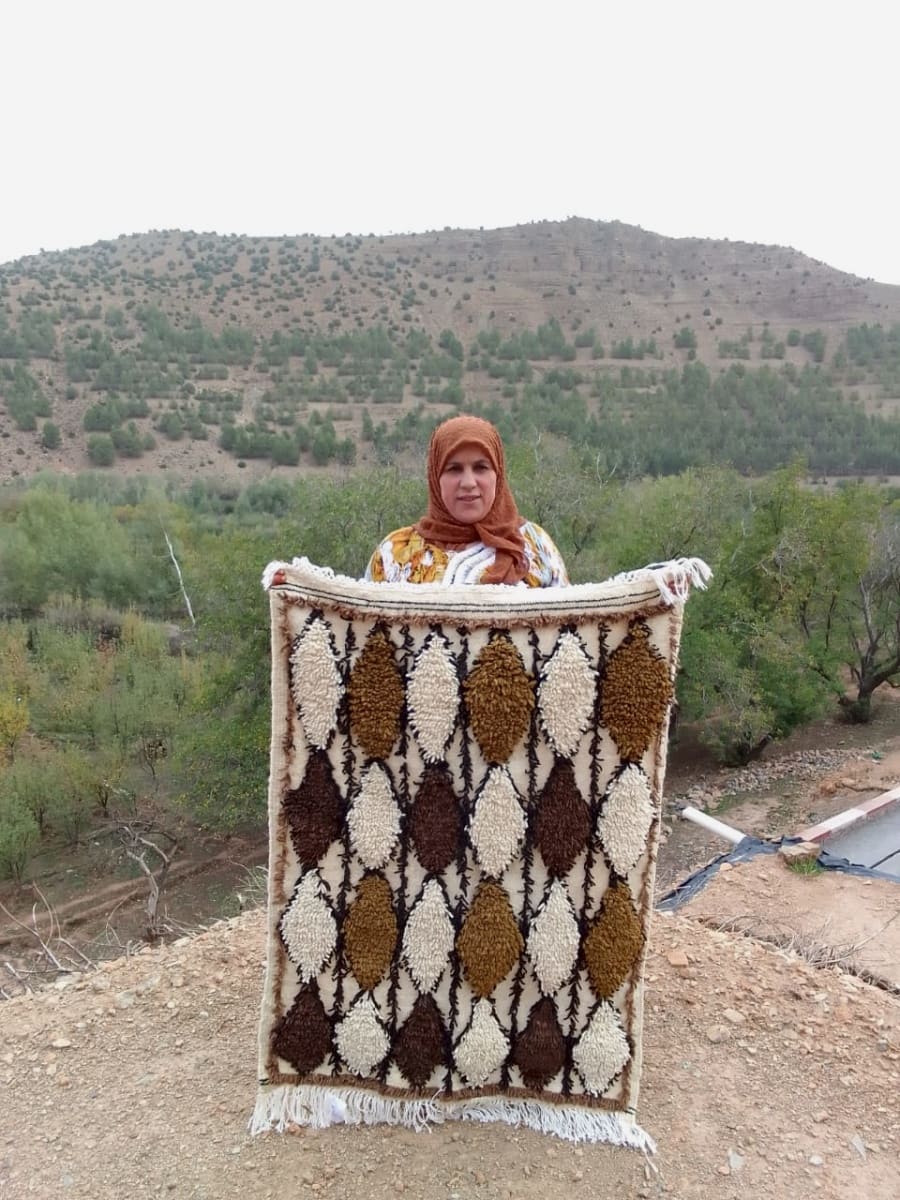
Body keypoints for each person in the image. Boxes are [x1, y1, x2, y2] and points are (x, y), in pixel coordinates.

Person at [364, 414, 569, 588]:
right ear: (436, 478)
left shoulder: (536, 547)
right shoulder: (395, 554)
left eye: (481, 468)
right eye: (454, 469)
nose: (469, 483)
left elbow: (568, 630)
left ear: (498, 475)